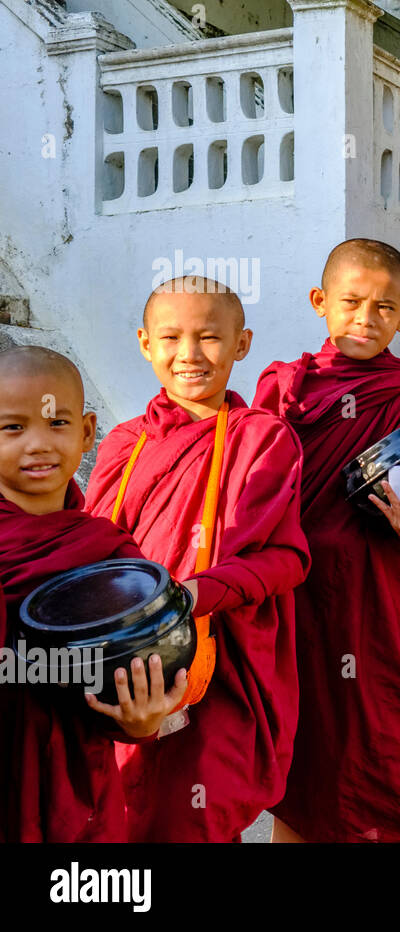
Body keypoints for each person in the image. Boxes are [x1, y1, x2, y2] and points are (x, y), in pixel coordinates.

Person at [84, 276, 309, 842]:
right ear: (144, 342)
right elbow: (89, 557)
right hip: (126, 664)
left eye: (209, 337)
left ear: (242, 343)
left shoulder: (262, 439)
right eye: (171, 337)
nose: (188, 354)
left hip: (221, 665)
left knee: (193, 818)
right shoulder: (123, 444)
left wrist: (193, 596)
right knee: (122, 815)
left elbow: (288, 560)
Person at [253, 239, 400, 843]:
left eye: (385, 308)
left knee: (381, 748)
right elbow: (254, 490)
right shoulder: (284, 388)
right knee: (305, 755)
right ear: (320, 302)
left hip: (378, 601)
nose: (366, 319)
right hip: (300, 600)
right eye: (351, 302)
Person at [0, 346, 187, 842]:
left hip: (78, 787)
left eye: (56, 423)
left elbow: (124, 685)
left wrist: (141, 721)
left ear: (86, 432)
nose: (38, 444)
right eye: (13, 428)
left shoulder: (109, 553)